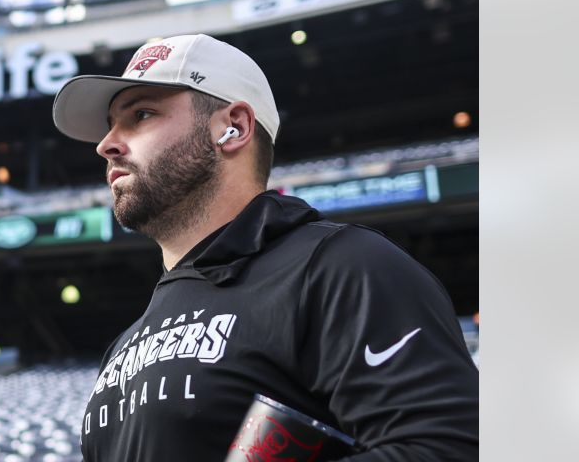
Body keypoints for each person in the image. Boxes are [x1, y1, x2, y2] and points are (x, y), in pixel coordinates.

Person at [51, 33, 478, 461]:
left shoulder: (341, 267)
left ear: (233, 126)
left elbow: (451, 446)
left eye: (141, 114)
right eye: (111, 124)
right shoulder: (126, 342)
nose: (106, 144)